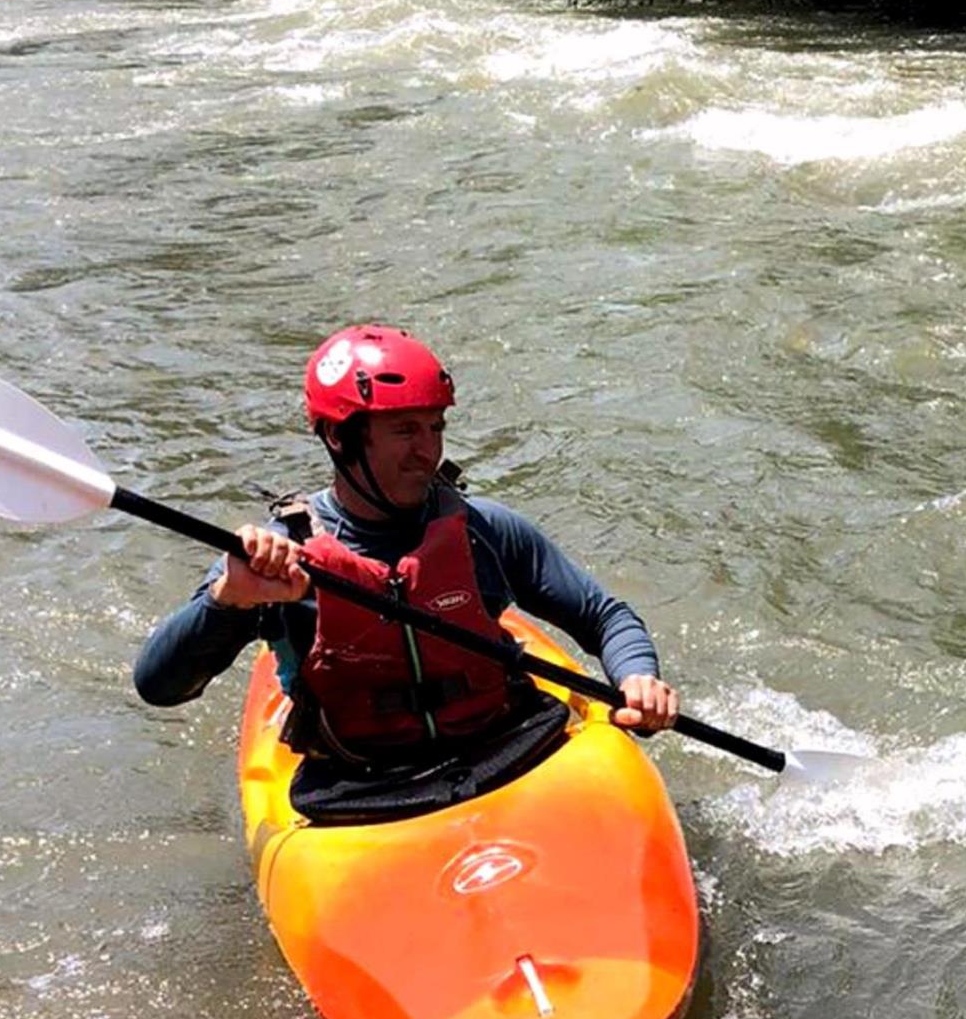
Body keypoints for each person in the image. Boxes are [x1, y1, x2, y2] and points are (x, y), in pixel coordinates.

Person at [134, 324, 678, 823]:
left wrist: (637, 676)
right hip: (360, 789)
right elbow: (160, 686)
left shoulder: (483, 529)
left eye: (435, 427)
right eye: (405, 431)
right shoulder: (278, 558)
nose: (428, 451)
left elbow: (602, 614)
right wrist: (231, 600)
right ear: (339, 438)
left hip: (515, 747)